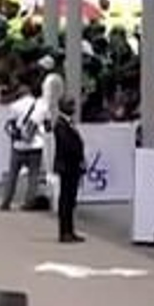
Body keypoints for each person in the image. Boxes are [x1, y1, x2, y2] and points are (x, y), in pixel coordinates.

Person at [0, 79, 47, 212]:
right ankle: (29, 203)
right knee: (33, 176)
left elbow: (10, 125)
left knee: (13, 175)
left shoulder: (15, 106)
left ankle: (6, 202)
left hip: (18, 145)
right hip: (36, 144)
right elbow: (46, 123)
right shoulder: (41, 106)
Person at [52, 96, 85, 243]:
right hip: (67, 166)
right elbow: (67, 145)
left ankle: (70, 230)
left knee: (71, 200)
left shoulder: (69, 124)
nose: (74, 107)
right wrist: (77, 155)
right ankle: (64, 231)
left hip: (73, 165)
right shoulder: (60, 125)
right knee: (65, 199)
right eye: (70, 104)